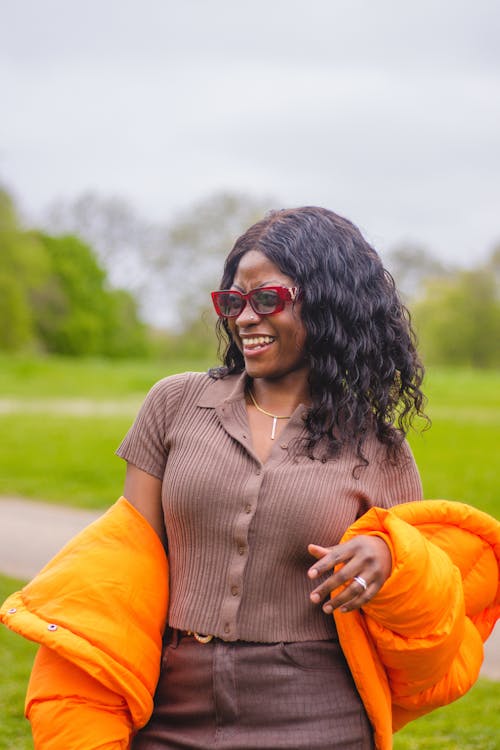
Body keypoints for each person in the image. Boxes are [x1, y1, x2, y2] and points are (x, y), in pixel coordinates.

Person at [1, 207, 499, 750]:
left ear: (329, 303)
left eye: (268, 300)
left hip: (319, 711)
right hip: (170, 703)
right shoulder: (175, 405)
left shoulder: (379, 446)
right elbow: (125, 565)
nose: (244, 318)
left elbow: (418, 586)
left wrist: (388, 556)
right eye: (233, 301)